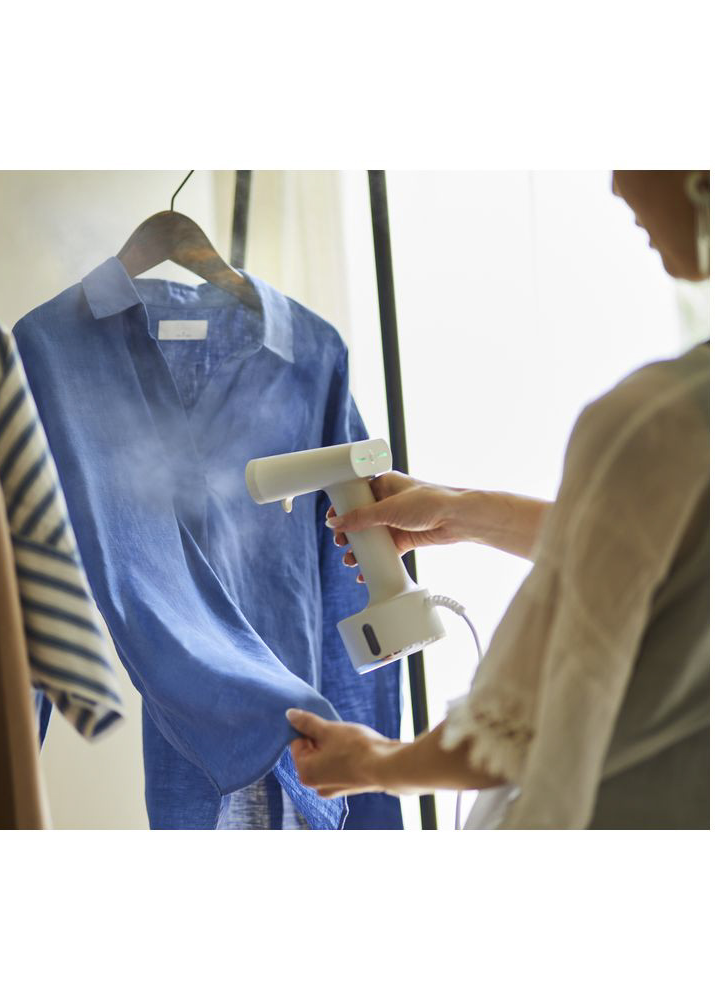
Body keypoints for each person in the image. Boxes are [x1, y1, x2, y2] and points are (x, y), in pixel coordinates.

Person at [286, 170, 710, 829]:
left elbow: (506, 733)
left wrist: (372, 762)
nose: (615, 185)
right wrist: (464, 512)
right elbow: (662, 549)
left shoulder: (657, 422)